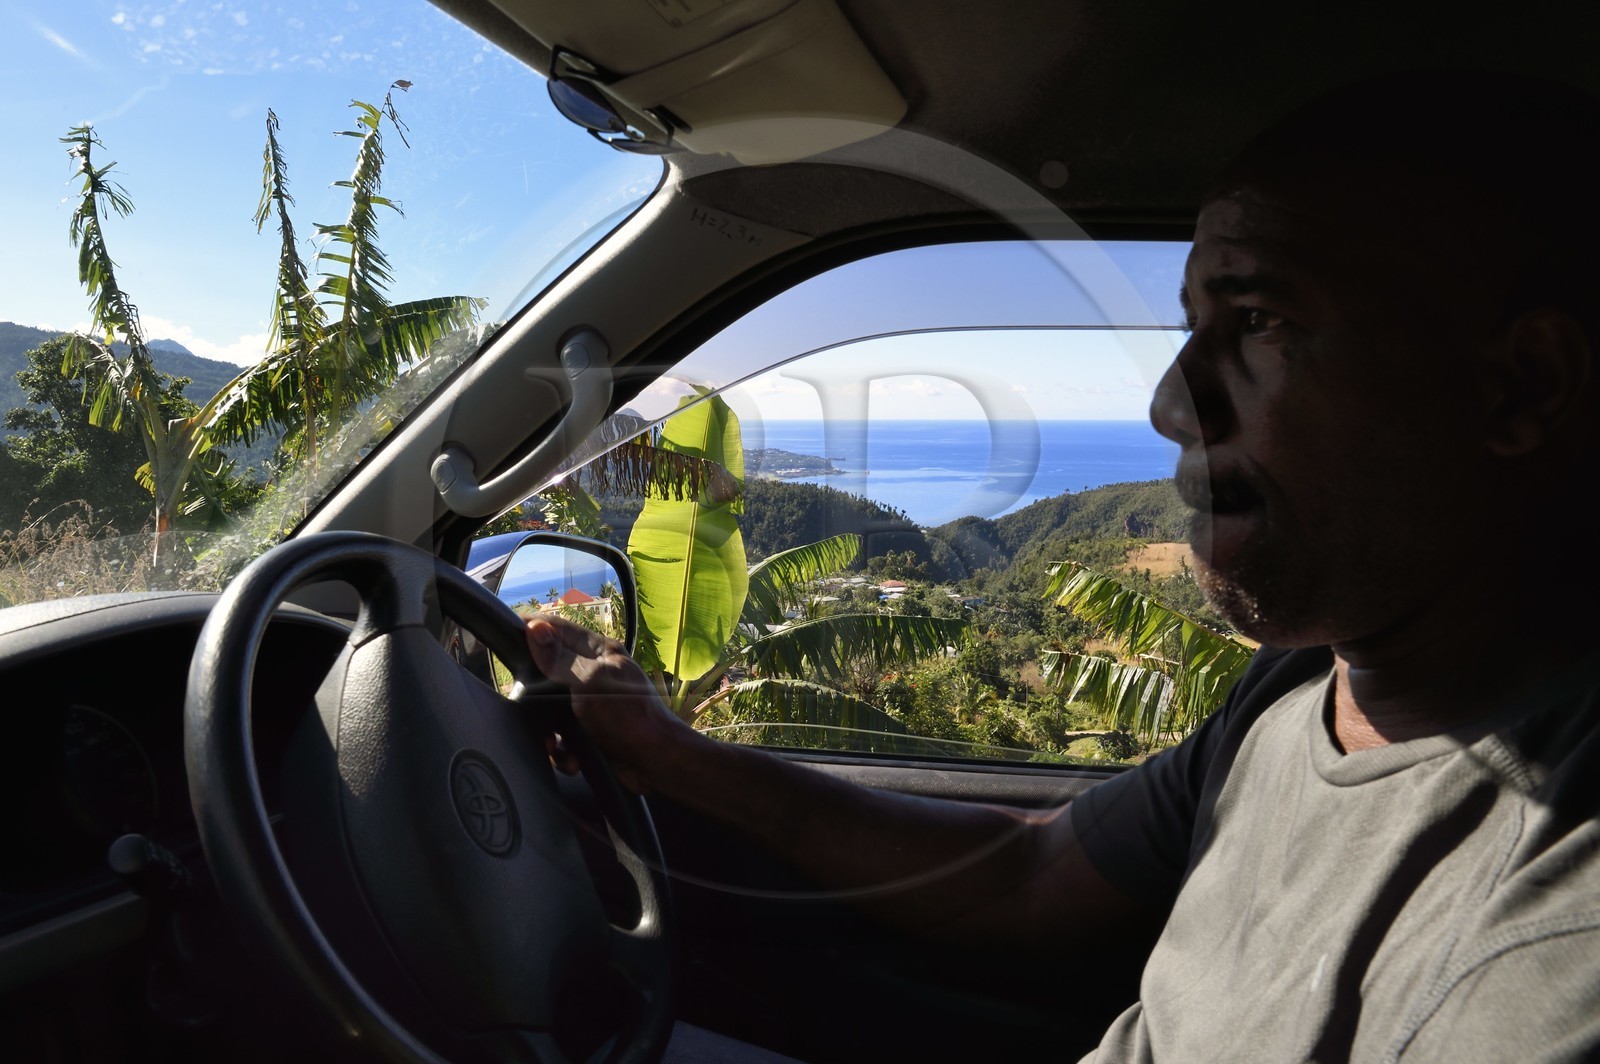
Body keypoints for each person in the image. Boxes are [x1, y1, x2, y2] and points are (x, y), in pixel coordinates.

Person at [525, 72, 1600, 1061]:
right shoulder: (1302, 688)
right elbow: (1025, 877)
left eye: (1261, 322)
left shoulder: (1558, 888)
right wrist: (665, 749)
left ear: (1519, 388)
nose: (1170, 404)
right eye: (1192, 328)